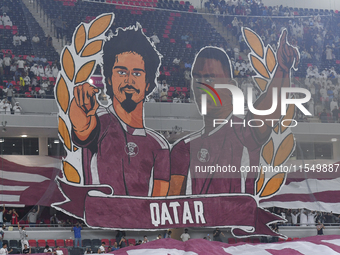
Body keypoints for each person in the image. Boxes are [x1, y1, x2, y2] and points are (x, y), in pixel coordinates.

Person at [168, 30, 300, 196]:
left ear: (231, 86)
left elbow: (271, 106)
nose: (202, 88)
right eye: (196, 79)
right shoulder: (183, 148)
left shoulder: (244, 132)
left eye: (209, 79)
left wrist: (282, 70)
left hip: (237, 222)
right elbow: (171, 204)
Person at [68, 25, 170, 197]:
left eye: (137, 74)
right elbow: (84, 130)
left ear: (148, 84)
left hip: (140, 223)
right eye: (121, 72)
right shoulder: (99, 121)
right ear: (109, 79)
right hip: (101, 221)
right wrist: (80, 117)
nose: (129, 81)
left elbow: (158, 207)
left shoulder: (159, 146)